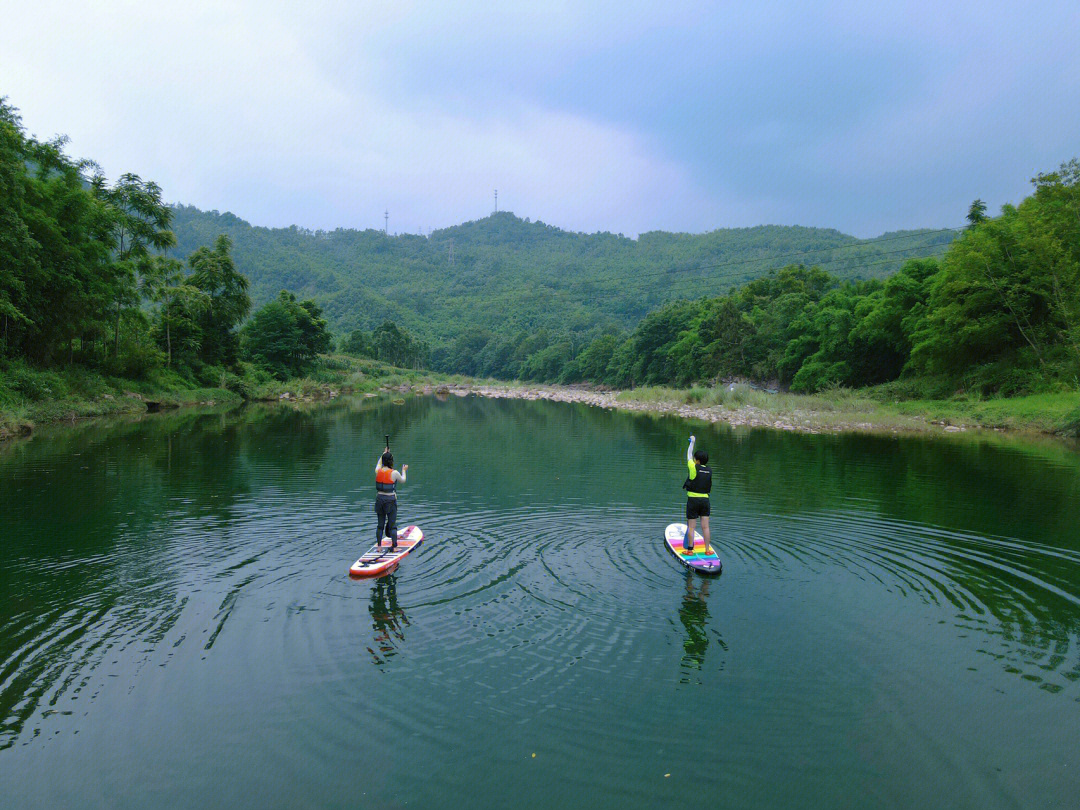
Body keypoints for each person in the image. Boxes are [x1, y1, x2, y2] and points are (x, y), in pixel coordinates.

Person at [683, 434, 712, 553]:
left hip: (693, 501)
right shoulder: (709, 470)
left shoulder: (693, 467)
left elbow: (688, 455)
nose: (693, 460)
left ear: (698, 461)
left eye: (695, 459)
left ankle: (690, 550)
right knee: (705, 527)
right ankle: (707, 550)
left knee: (691, 527)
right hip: (705, 501)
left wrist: (692, 442)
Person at [375, 446, 408, 550]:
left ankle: (379, 547)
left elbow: (379, 464)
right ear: (391, 462)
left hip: (379, 499)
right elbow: (403, 480)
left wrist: (383, 454)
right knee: (392, 525)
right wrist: (404, 470)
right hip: (390, 501)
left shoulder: (378, 471)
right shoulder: (394, 473)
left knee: (380, 525)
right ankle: (394, 547)